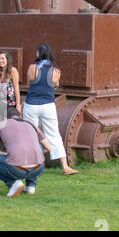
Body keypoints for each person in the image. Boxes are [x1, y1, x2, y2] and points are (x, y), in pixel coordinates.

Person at [23, 43, 78, 175]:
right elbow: (56, 85)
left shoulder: (32, 67)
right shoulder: (56, 70)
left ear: (38, 54)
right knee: (54, 134)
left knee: (29, 134)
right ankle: (65, 166)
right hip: (48, 104)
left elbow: (28, 82)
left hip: (31, 104)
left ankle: (27, 163)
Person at [0, 107, 50, 197]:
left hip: (17, 169)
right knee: (38, 146)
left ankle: (13, 183)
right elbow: (48, 148)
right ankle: (31, 185)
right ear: (20, 116)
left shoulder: (1, 124)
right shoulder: (31, 124)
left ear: (5, 117)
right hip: (38, 168)